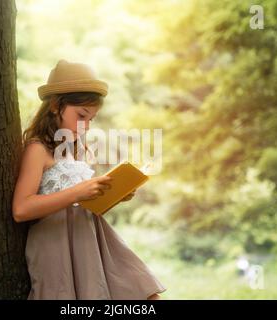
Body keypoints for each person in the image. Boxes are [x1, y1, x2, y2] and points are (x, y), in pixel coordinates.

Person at [12, 59, 166, 300]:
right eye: (81, 115)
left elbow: (82, 206)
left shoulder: (76, 149)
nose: (85, 126)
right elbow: (21, 209)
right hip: (57, 245)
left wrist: (114, 194)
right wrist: (78, 192)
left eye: (91, 119)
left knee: (144, 293)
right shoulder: (37, 149)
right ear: (55, 105)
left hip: (92, 239)